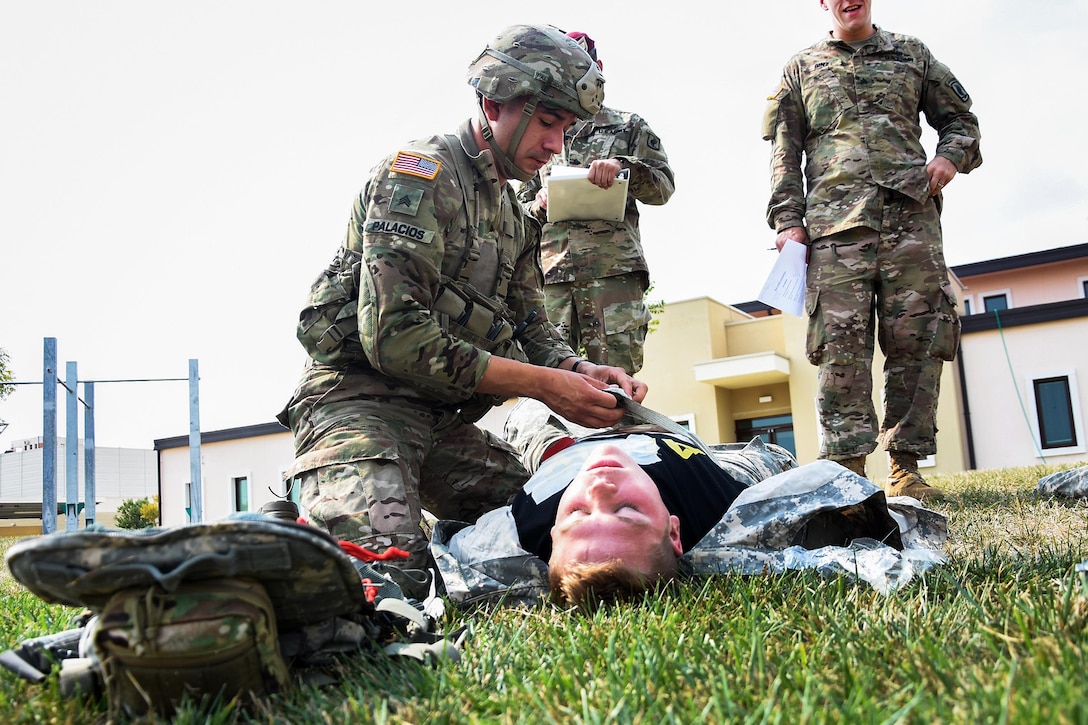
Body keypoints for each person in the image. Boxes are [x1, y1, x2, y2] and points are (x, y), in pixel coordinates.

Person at [277, 25, 648, 582]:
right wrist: (544, 385)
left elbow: (531, 331)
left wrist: (580, 371)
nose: (555, 145)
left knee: (543, 530)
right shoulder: (418, 178)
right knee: (390, 582)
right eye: (548, 123)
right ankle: (299, 514)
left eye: (565, 129)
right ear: (495, 102)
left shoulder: (515, 215)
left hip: (439, 421)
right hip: (359, 404)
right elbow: (394, 337)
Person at [762, 0, 982, 501]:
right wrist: (788, 222)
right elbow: (784, 153)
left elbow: (962, 122)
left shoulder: (913, 54)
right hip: (834, 230)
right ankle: (848, 471)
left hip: (910, 220)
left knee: (917, 341)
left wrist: (949, 158)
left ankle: (906, 467)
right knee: (839, 349)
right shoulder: (801, 67)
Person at [432, 397, 927, 609]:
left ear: (553, 537)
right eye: (627, 512)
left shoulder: (511, 538)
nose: (599, 492)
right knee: (771, 458)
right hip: (672, 444)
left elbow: (443, 568)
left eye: (578, 514)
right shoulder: (720, 518)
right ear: (672, 531)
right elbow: (872, 550)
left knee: (529, 412)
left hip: (561, 457)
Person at [516, 31, 675, 374]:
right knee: (550, 377)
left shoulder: (628, 127)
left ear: (597, 69)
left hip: (613, 275)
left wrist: (625, 168)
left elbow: (663, 188)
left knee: (618, 378)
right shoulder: (537, 132)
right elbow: (516, 209)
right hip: (552, 276)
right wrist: (539, 204)